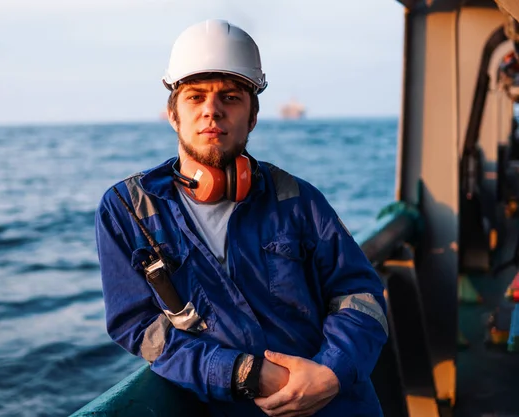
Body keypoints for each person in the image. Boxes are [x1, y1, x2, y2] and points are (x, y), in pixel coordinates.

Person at [95, 19, 388, 417]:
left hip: (337, 406)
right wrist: (243, 374)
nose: (211, 111)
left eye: (230, 98)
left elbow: (361, 295)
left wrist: (330, 373)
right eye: (195, 98)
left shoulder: (297, 200)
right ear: (173, 114)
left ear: (252, 116)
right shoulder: (128, 211)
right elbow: (140, 328)